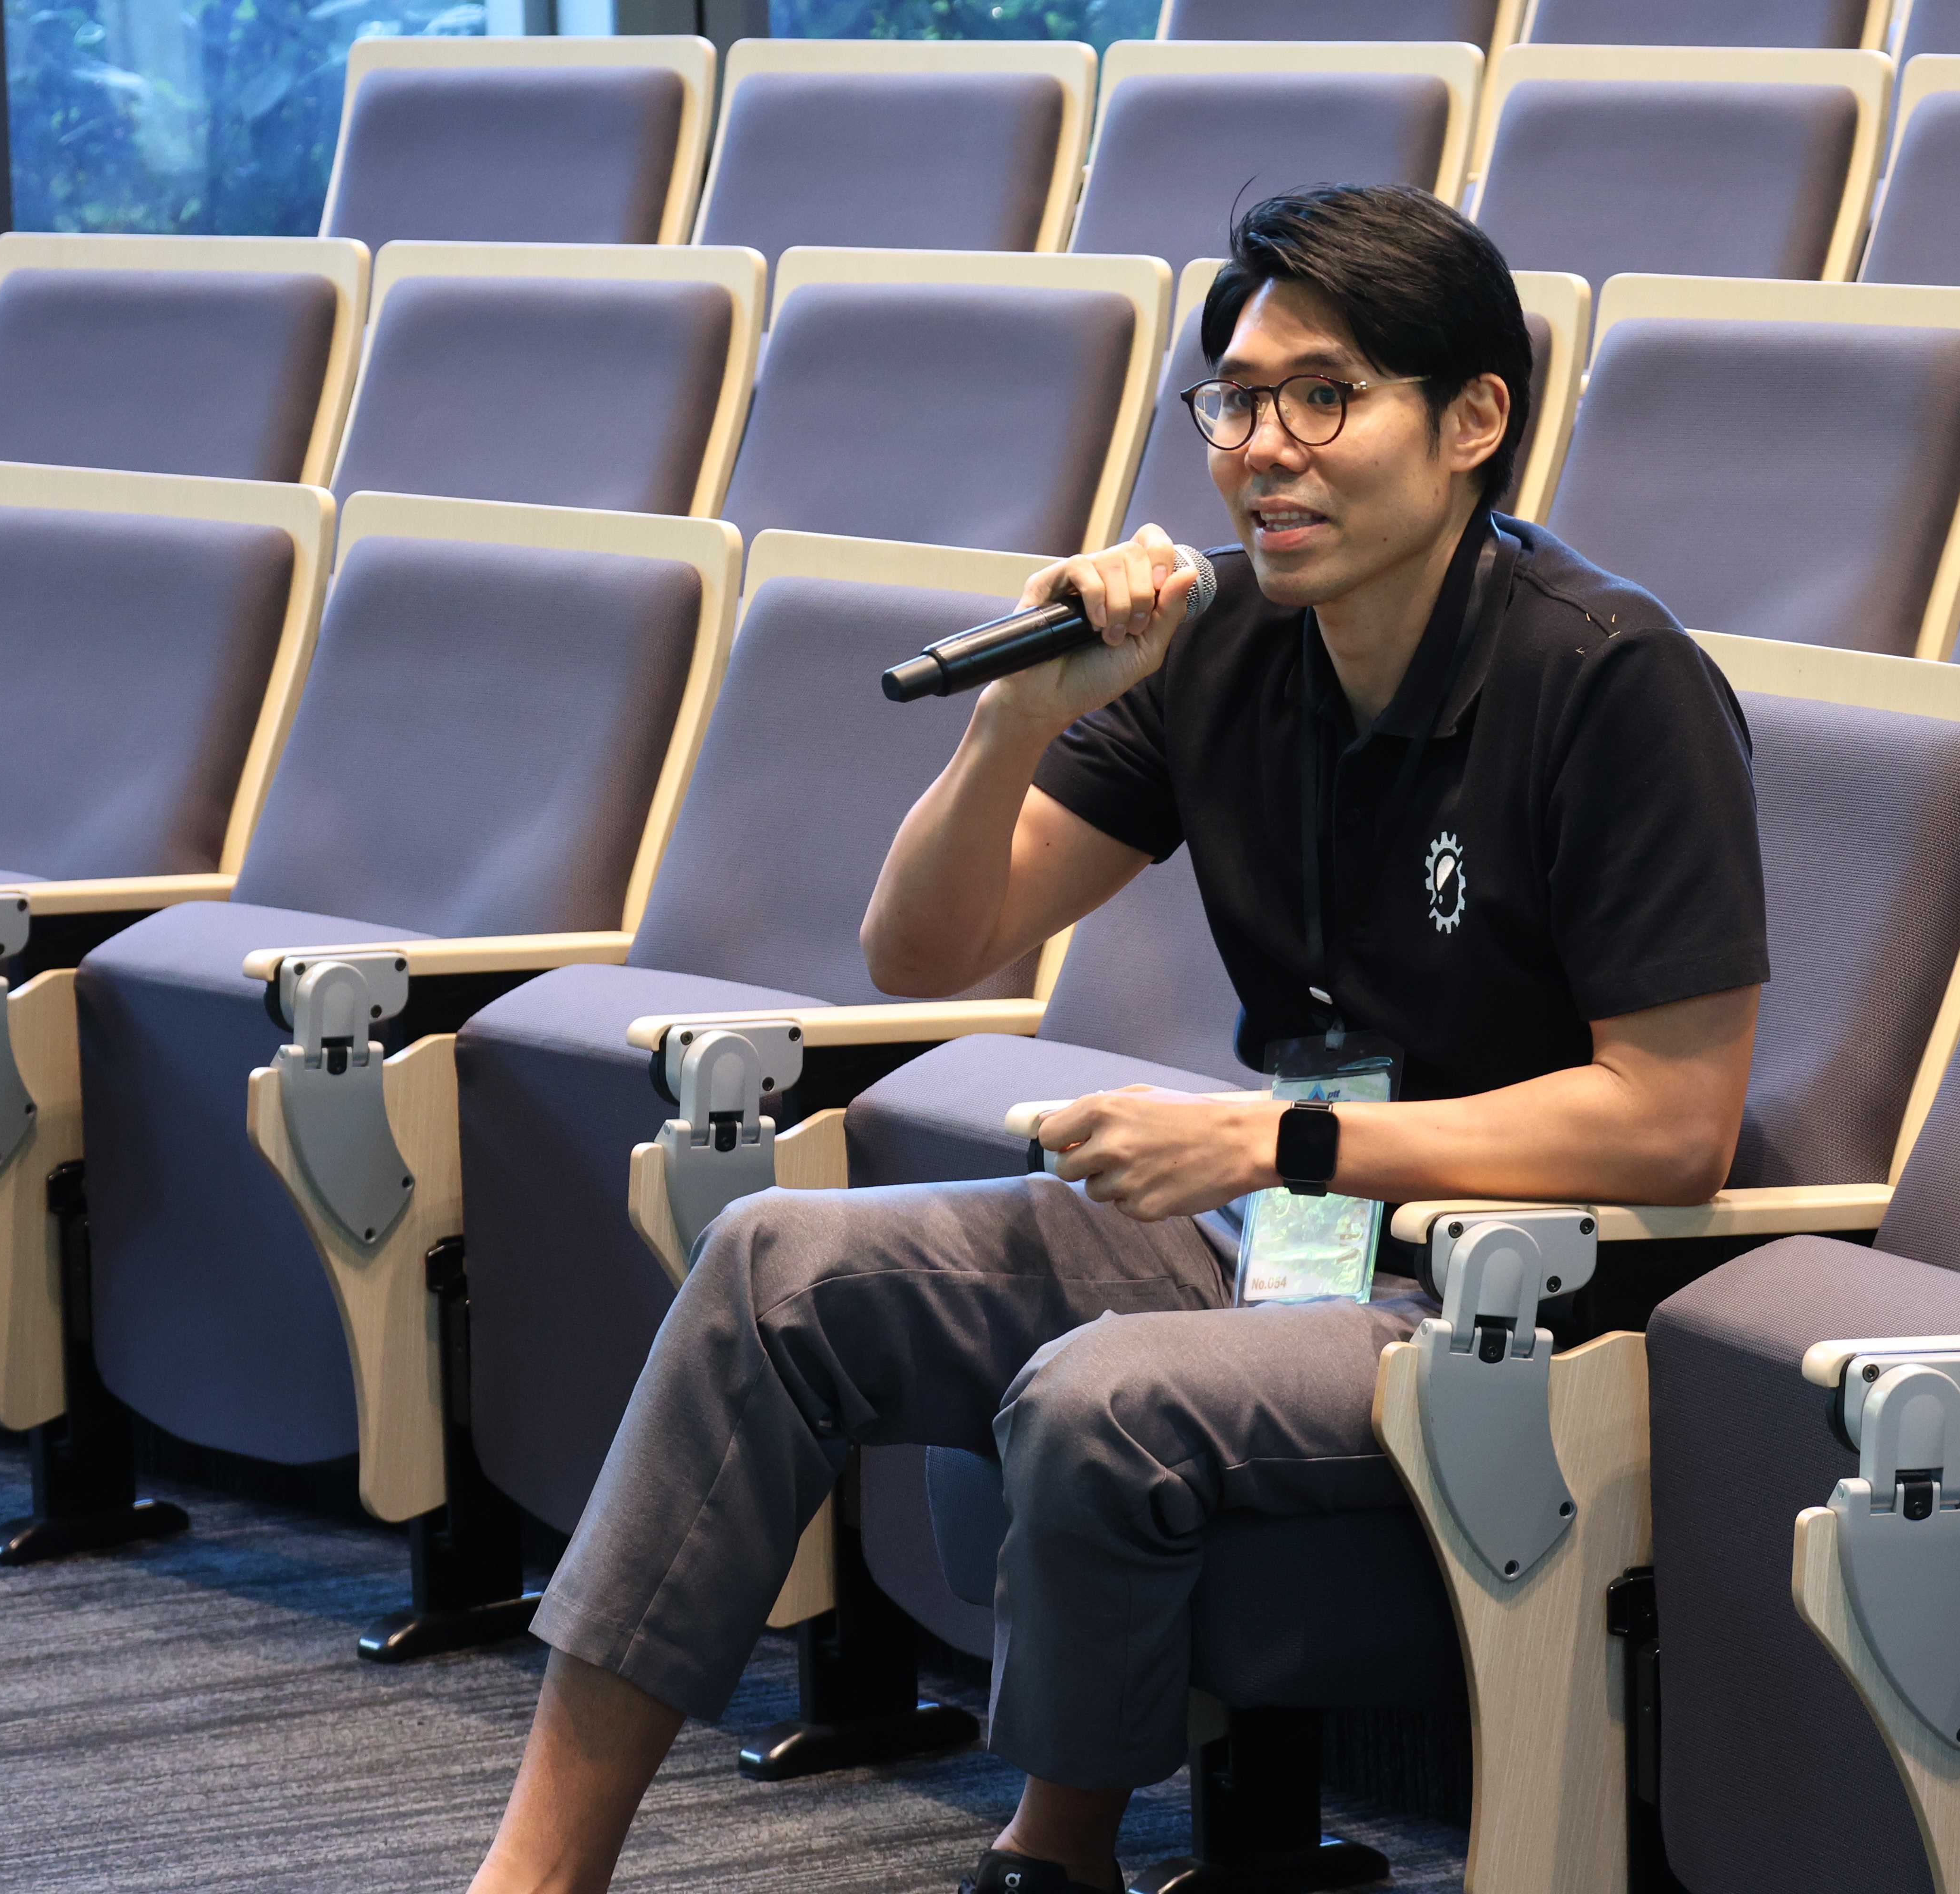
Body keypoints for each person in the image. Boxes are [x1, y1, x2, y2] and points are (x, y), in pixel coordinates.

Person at [466, 182, 1768, 1894]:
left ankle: (1054, 1857)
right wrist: (1019, 717)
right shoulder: (1221, 642)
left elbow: (1672, 1122)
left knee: (1102, 1393)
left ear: (1472, 422)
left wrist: (1279, 1141)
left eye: (1326, 396)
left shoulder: (1612, 682)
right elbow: (926, 949)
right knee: (772, 1267)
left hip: (1515, 1301)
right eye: (1238, 401)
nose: (1265, 448)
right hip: (1289, 1238)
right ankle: (536, 1877)